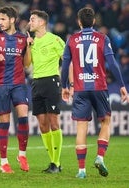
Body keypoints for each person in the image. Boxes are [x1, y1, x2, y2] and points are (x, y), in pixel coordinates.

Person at [61, 7, 129, 179]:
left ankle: (82, 171)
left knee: (81, 127)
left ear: (79, 21)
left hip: (80, 88)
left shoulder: (72, 39)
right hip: (99, 86)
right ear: (94, 21)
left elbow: (65, 65)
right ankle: (99, 156)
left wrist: (64, 86)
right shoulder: (102, 38)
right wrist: (121, 84)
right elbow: (112, 64)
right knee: (106, 121)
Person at [25, 10, 65, 173]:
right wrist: (28, 46)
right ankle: (52, 162)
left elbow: (67, 59)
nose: (30, 22)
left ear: (42, 22)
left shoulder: (55, 40)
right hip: (36, 82)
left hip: (51, 81)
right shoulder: (32, 42)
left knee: (54, 122)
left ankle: (56, 163)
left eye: (33, 19)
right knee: (42, 125)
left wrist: (70, 81)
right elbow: (27, 64)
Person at [0, 6, 30, 173]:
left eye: (3, 19)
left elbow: (27, 63)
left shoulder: (22, 38)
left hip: (19, 83)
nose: (0, 22)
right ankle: (4, 162)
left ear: (12, 20)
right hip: (0, 84)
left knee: (23, 116)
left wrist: (28, 46)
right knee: (5, 123)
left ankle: (22, 155)